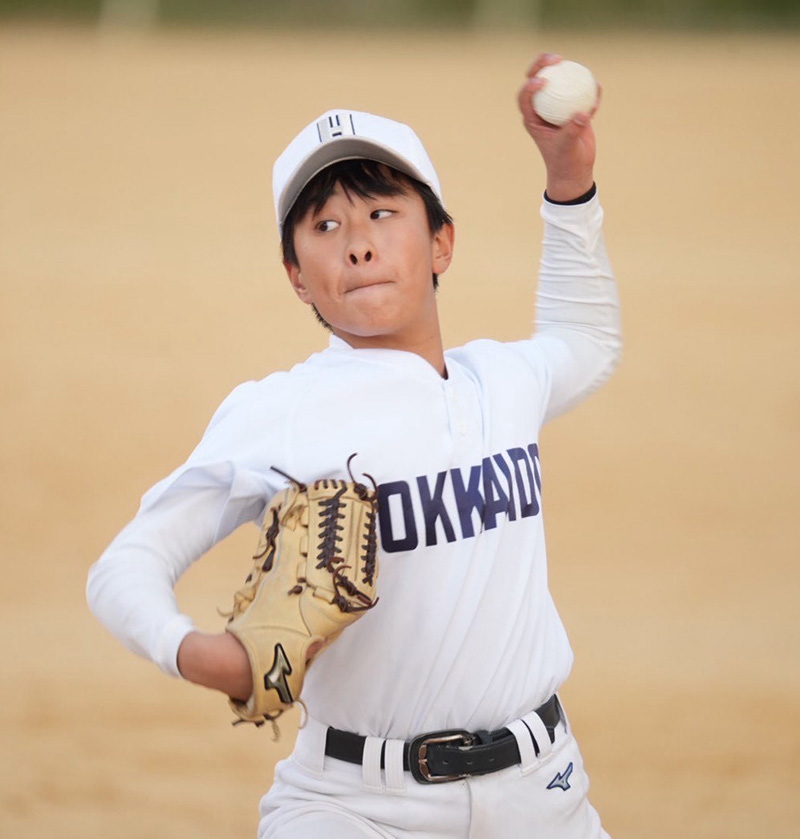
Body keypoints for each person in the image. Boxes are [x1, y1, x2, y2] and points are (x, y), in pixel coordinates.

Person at [87, 52, 621, 838]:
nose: (358, 245)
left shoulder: (499, 381)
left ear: (441, 243)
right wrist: (199, 652)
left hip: (546, 792)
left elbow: (585, 339)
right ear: (297, 276)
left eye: (382, 214)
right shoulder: (283, 411)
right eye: (325, 226)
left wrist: (569, 180)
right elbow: (123, 566)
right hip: (355, 807)